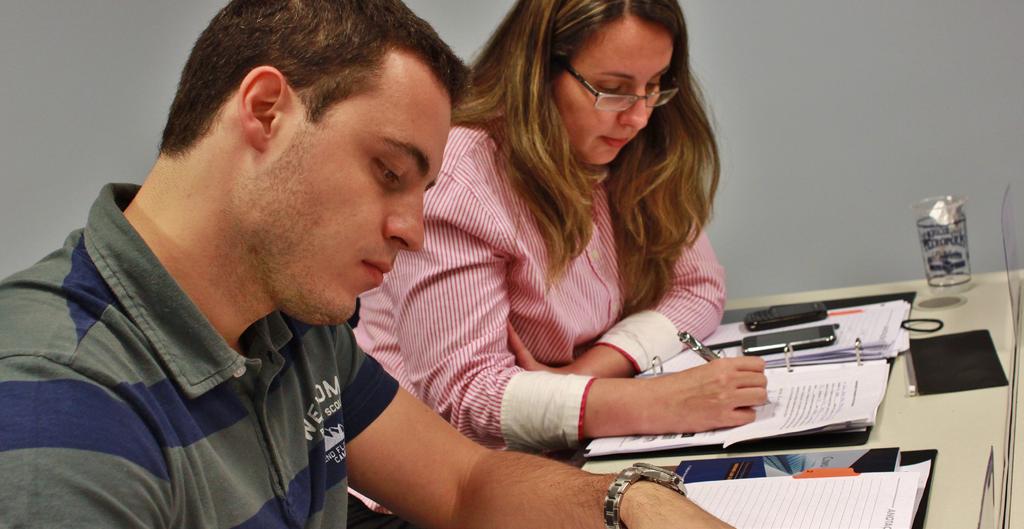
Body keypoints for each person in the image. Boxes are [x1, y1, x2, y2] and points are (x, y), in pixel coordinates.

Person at [0, 1, 732, 528]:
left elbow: (465, 482)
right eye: (388, 172)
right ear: (264, 110)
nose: (414, 231)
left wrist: (631, 500)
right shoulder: (55, 407)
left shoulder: (294, 322)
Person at [355, 0, 769, 453]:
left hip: (557, 445)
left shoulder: (635, 148)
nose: (639, 117)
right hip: (434, 475)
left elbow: (697, 287)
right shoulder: (462, 179)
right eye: (613, 88)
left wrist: (588, 371)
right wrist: (655, 402)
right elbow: (467, 397)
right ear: (539, 73)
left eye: (654, 86)